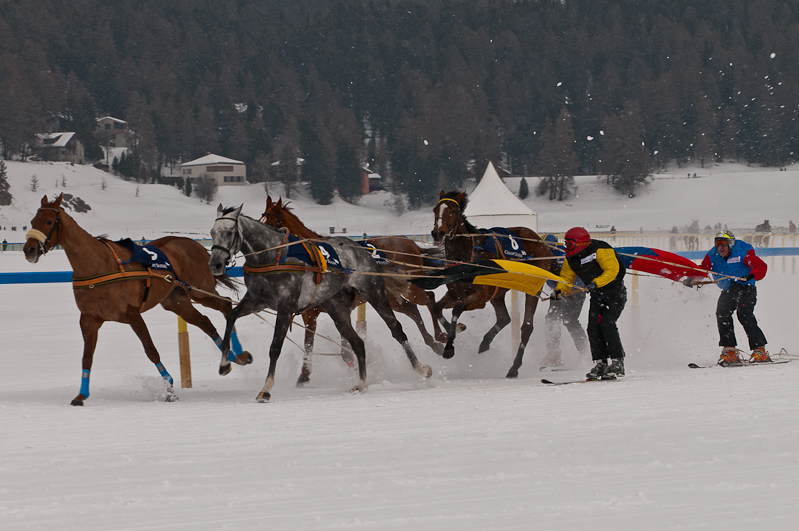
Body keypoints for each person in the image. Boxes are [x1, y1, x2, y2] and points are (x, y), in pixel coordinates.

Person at [683, 230, 769, 365]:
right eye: (717, 244)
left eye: (723, 244)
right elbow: (703, 270)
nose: (720, 248)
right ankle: (730, 351)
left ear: (731, 244)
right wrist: (692, 279)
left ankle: (760, 350)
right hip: (729, 289)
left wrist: (751, 275)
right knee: (722, 314)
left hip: (746, 288)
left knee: (744, 314)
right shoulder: (712, 254)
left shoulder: (742, 250)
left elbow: (760, 266)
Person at [552, 227, 627, 379]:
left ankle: (618, 362)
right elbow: (567, 277)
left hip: (615, 294)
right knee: (593, 327)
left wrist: (596, 282)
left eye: (570, 244)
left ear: (581, 243)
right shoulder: (571, 258)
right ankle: (601, 363)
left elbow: (612, 270)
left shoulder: (601, 249)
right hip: (598, 296)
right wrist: (560, 290)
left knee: (607, 323)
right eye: (566, 244)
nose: (567, 247)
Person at [542, 234, 588, 367]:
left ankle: (584, 351)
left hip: (576, 291)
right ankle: (553, 352)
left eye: (548, 248)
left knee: (570, 320)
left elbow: (577, 272)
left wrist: (575, 287)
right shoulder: (544, 258)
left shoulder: (564, 254)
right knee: (551, 318)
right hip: (558, 292)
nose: (546, 251)